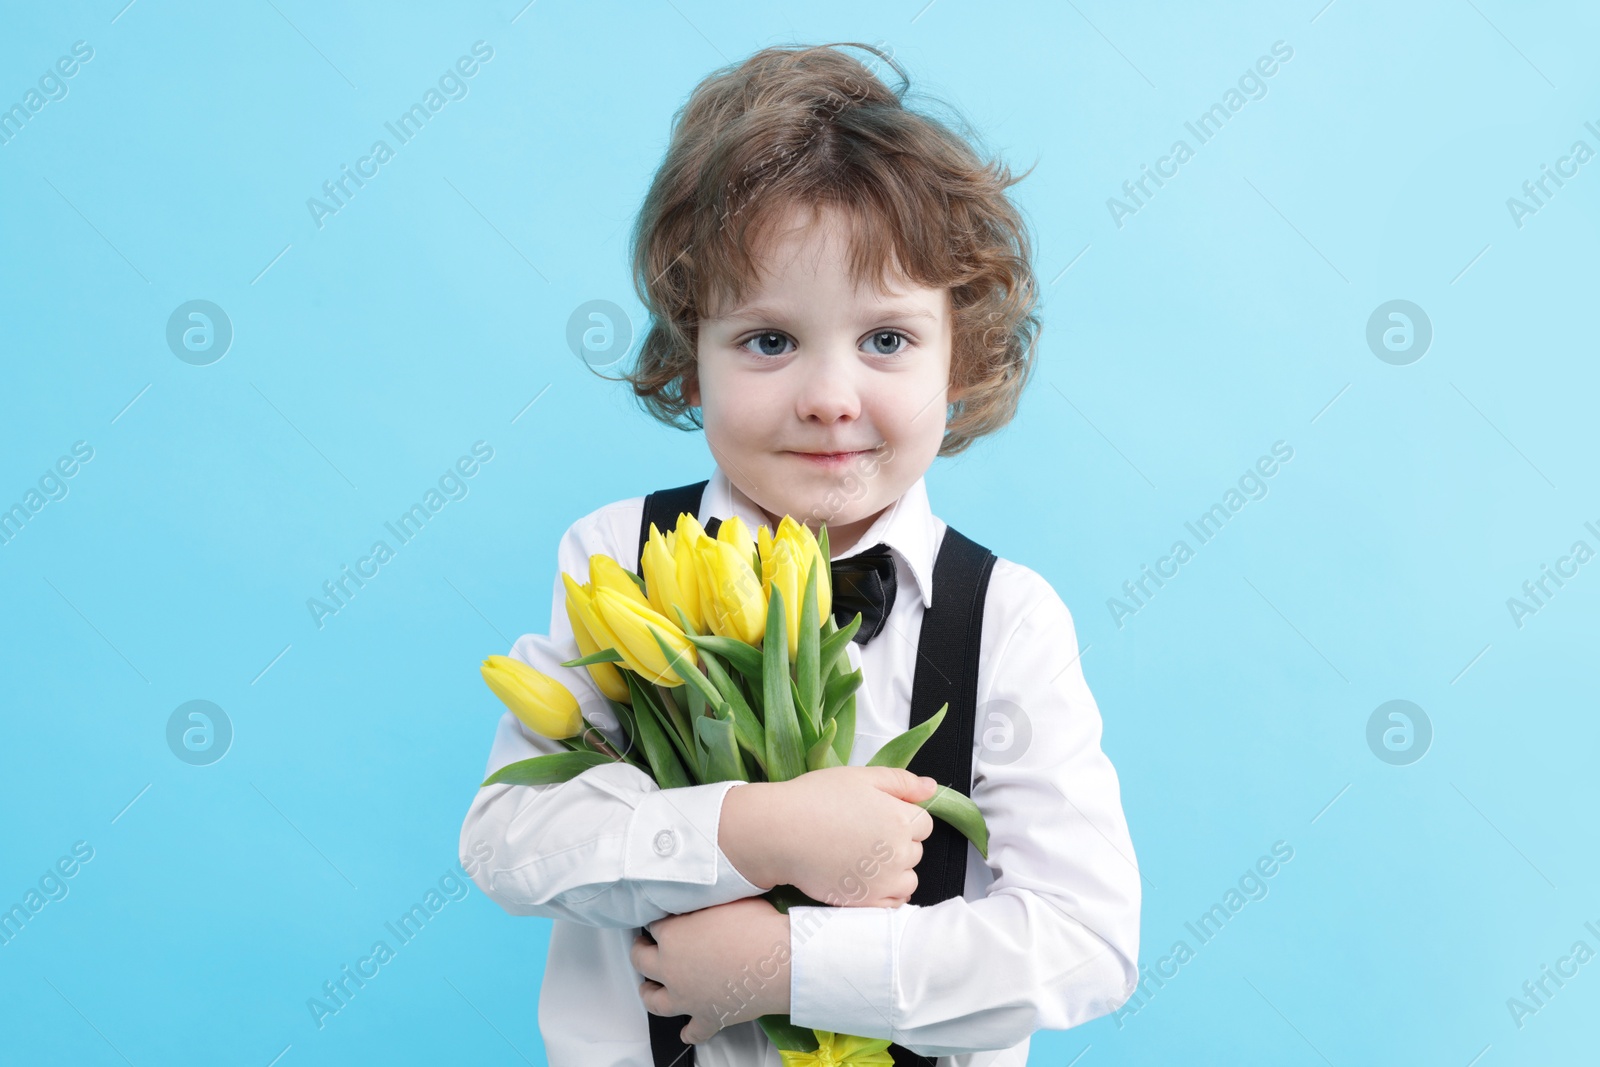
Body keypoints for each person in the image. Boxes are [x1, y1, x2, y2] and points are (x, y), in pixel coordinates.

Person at [459, 41, 1140, 1066]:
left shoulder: (1006, 616)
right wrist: (748, 830)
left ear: (966, 355)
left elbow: (1082, 940)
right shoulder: (619, 559)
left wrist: (794, 962)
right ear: (690, 353)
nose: (829, 395)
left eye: (886, 340)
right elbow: (511, 840)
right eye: (770, 340)